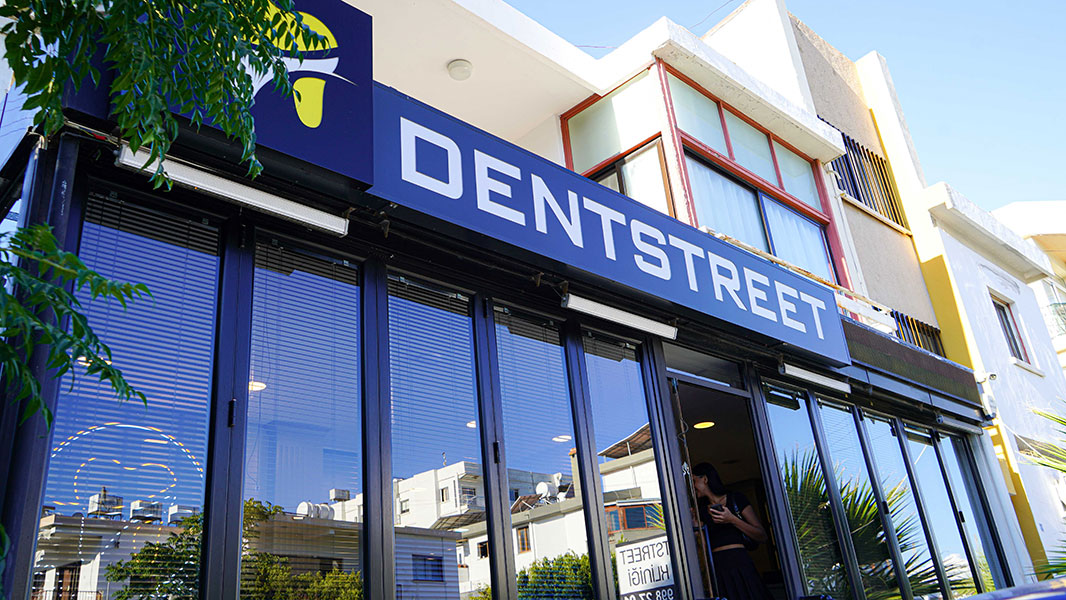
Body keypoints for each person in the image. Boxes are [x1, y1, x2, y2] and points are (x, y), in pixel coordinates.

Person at [691, 462, 773, 600]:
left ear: (705, 479)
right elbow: (703, 549)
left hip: (741, 564)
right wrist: (695, 527)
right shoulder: (701, 511)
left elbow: (762, 535)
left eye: (694, 481)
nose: (692, 486)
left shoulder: (736, 499)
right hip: (718, 569)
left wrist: (732, 519)